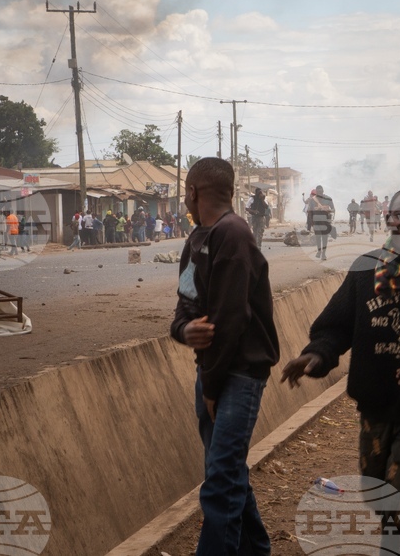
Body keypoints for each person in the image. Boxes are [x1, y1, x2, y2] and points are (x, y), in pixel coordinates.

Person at [281, 186, 400, 552]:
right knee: (375, 490)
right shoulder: (366, 271)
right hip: (375, 404)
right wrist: (316, 356)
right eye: (398, 215)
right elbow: (336, 327)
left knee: (393, 502)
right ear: (385, 217)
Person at [170, 157, 278, 556]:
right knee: (227, 474)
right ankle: (257, 549)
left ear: (194, 192)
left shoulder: (233, 234)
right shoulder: (198, 238)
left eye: (186, 191)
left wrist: (212, 386)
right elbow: (185, 303)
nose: (185, 197)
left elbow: (230, 320)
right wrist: (184, 330)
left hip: (238, 375)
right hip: (213, 372)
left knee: (219, 482)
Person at [307, 185, 335, 260]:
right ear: (316, 192)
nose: (319, 193)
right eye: (318, 192)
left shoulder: (328, 199)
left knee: (325, 238)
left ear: (323, 191)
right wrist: (311, 222)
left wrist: (326, 208)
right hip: (316, 221)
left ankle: (324, 253)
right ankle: (319, 251)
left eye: (321, 192)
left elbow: (333, 209)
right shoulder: (313, 200)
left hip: (326, 221)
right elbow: (309, 212)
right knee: (318, 237)